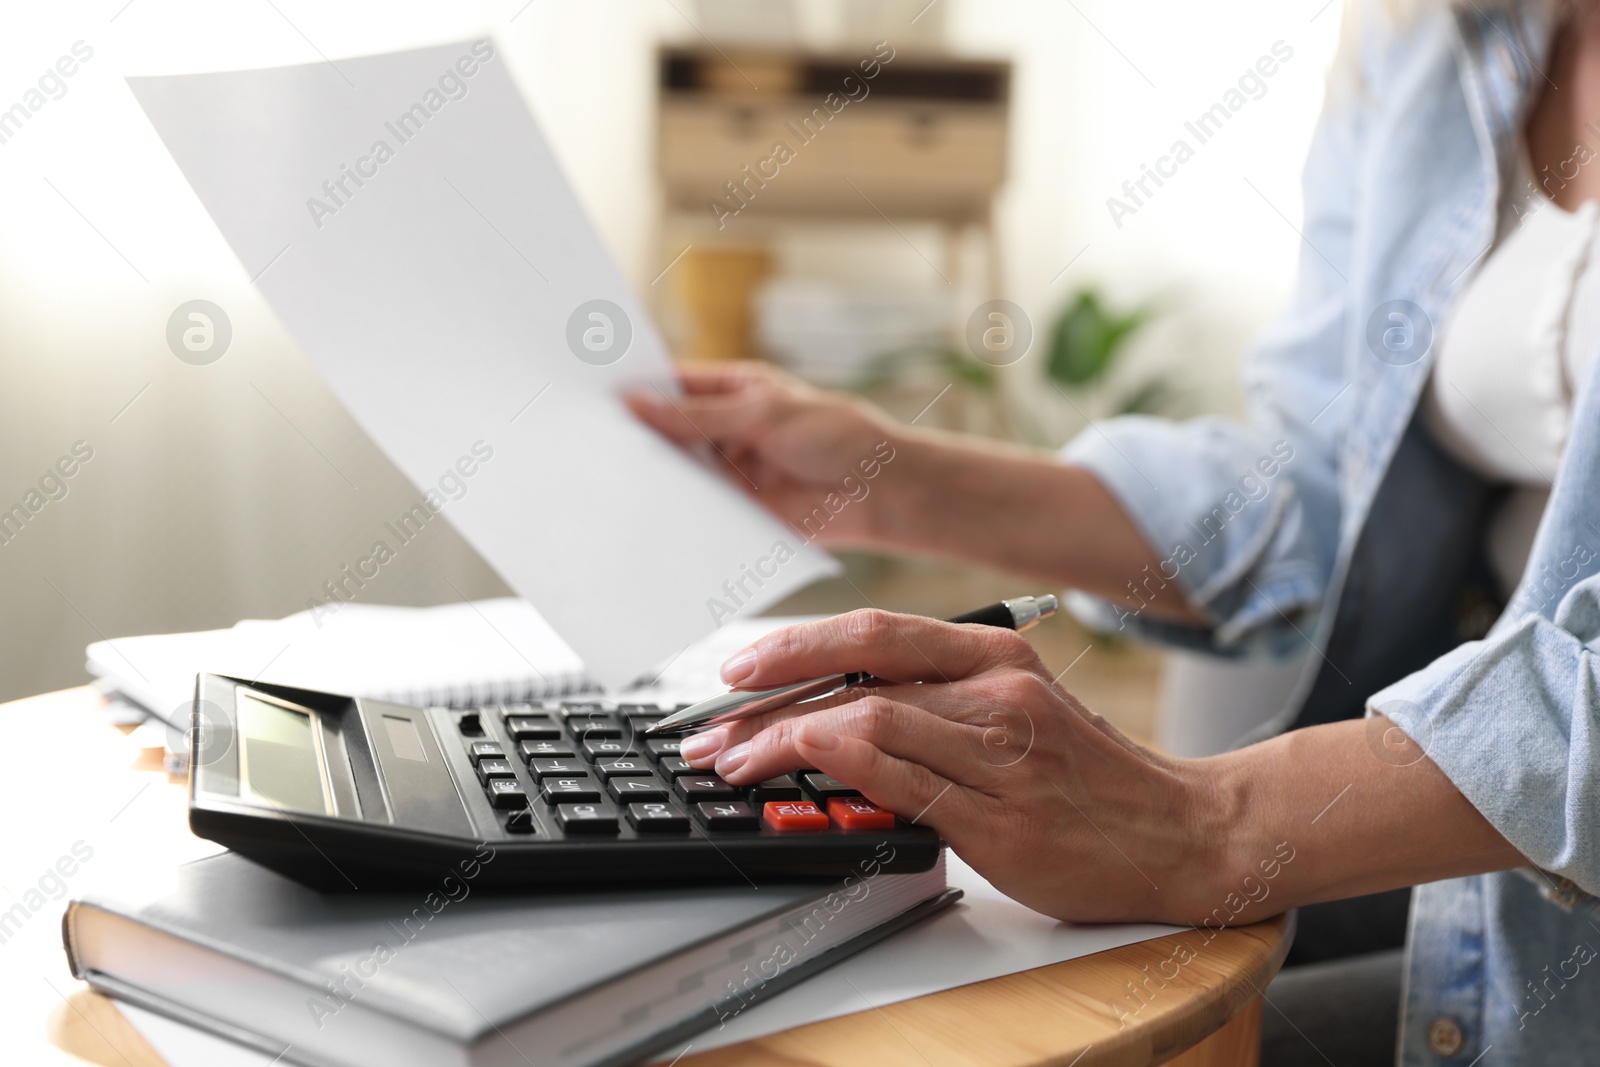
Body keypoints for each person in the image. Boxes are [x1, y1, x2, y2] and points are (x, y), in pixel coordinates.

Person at [629, 0, 1600, 1062]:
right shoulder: (1437, 35)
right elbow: (1329, 496)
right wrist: (891, 479)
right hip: (1479, 841)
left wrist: (1204, 824)